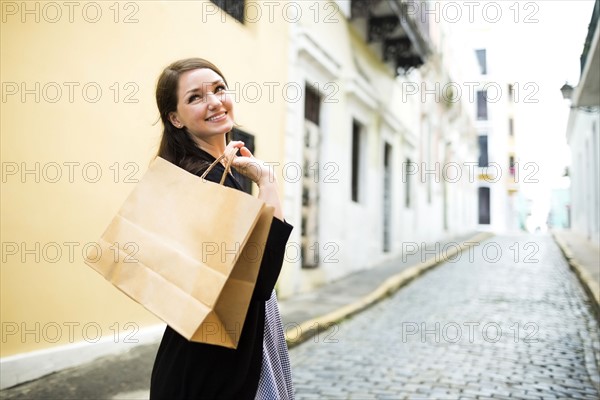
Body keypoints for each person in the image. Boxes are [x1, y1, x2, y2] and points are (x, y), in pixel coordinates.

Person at [150, 58, 295, 399]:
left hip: (216, 353)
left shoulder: (214, 174)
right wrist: (268, 182)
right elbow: (258, 282)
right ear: (175, 118)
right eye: (195, 97)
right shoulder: (201, 181)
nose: (214, 101)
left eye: (218, 89)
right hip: (212, 369)